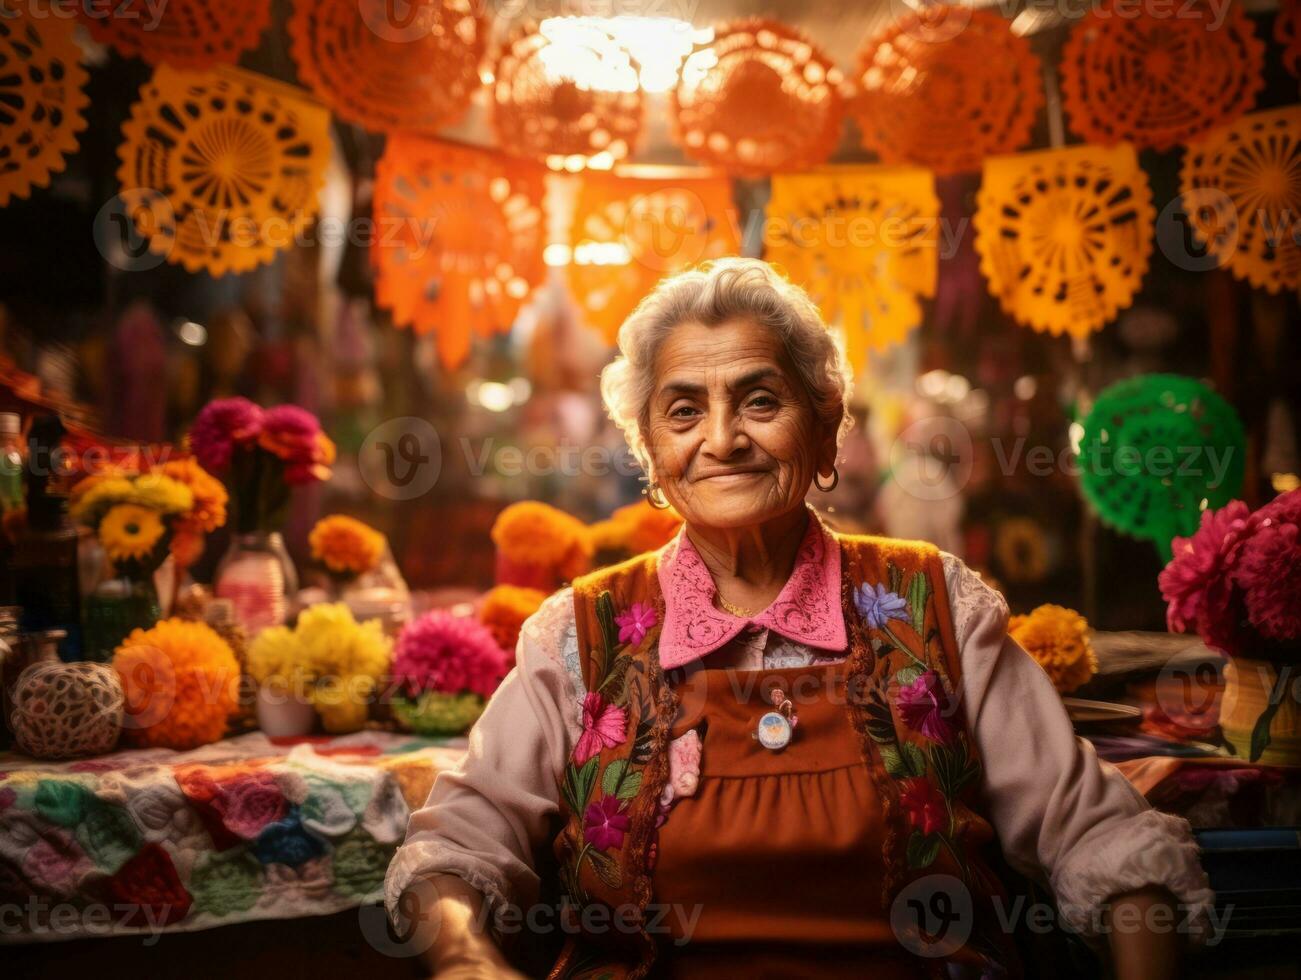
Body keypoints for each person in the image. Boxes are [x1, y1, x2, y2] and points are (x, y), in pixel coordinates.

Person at [386, 259, 1212, 978]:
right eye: (682, 411)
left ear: (824, 438)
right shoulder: (580, 633)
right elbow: (459, 845)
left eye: (758, 401)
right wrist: (465, 956)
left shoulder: (934, 605)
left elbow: (1098, 840)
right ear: (651, 458)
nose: (721, 439)